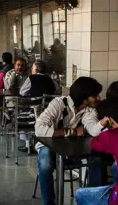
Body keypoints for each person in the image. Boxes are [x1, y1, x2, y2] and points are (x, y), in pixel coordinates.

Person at [34, 77, 108, 205]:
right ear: (83, 96)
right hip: (49, 147)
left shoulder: (89, 110)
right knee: (45, 163)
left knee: (98, 158)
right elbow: (39, 129)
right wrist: (71, 132)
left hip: (73, 149)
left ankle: (94, 201)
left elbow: (93, 129)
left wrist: (106, 120)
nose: (98, 98)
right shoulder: (59, 103)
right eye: (95, 95)